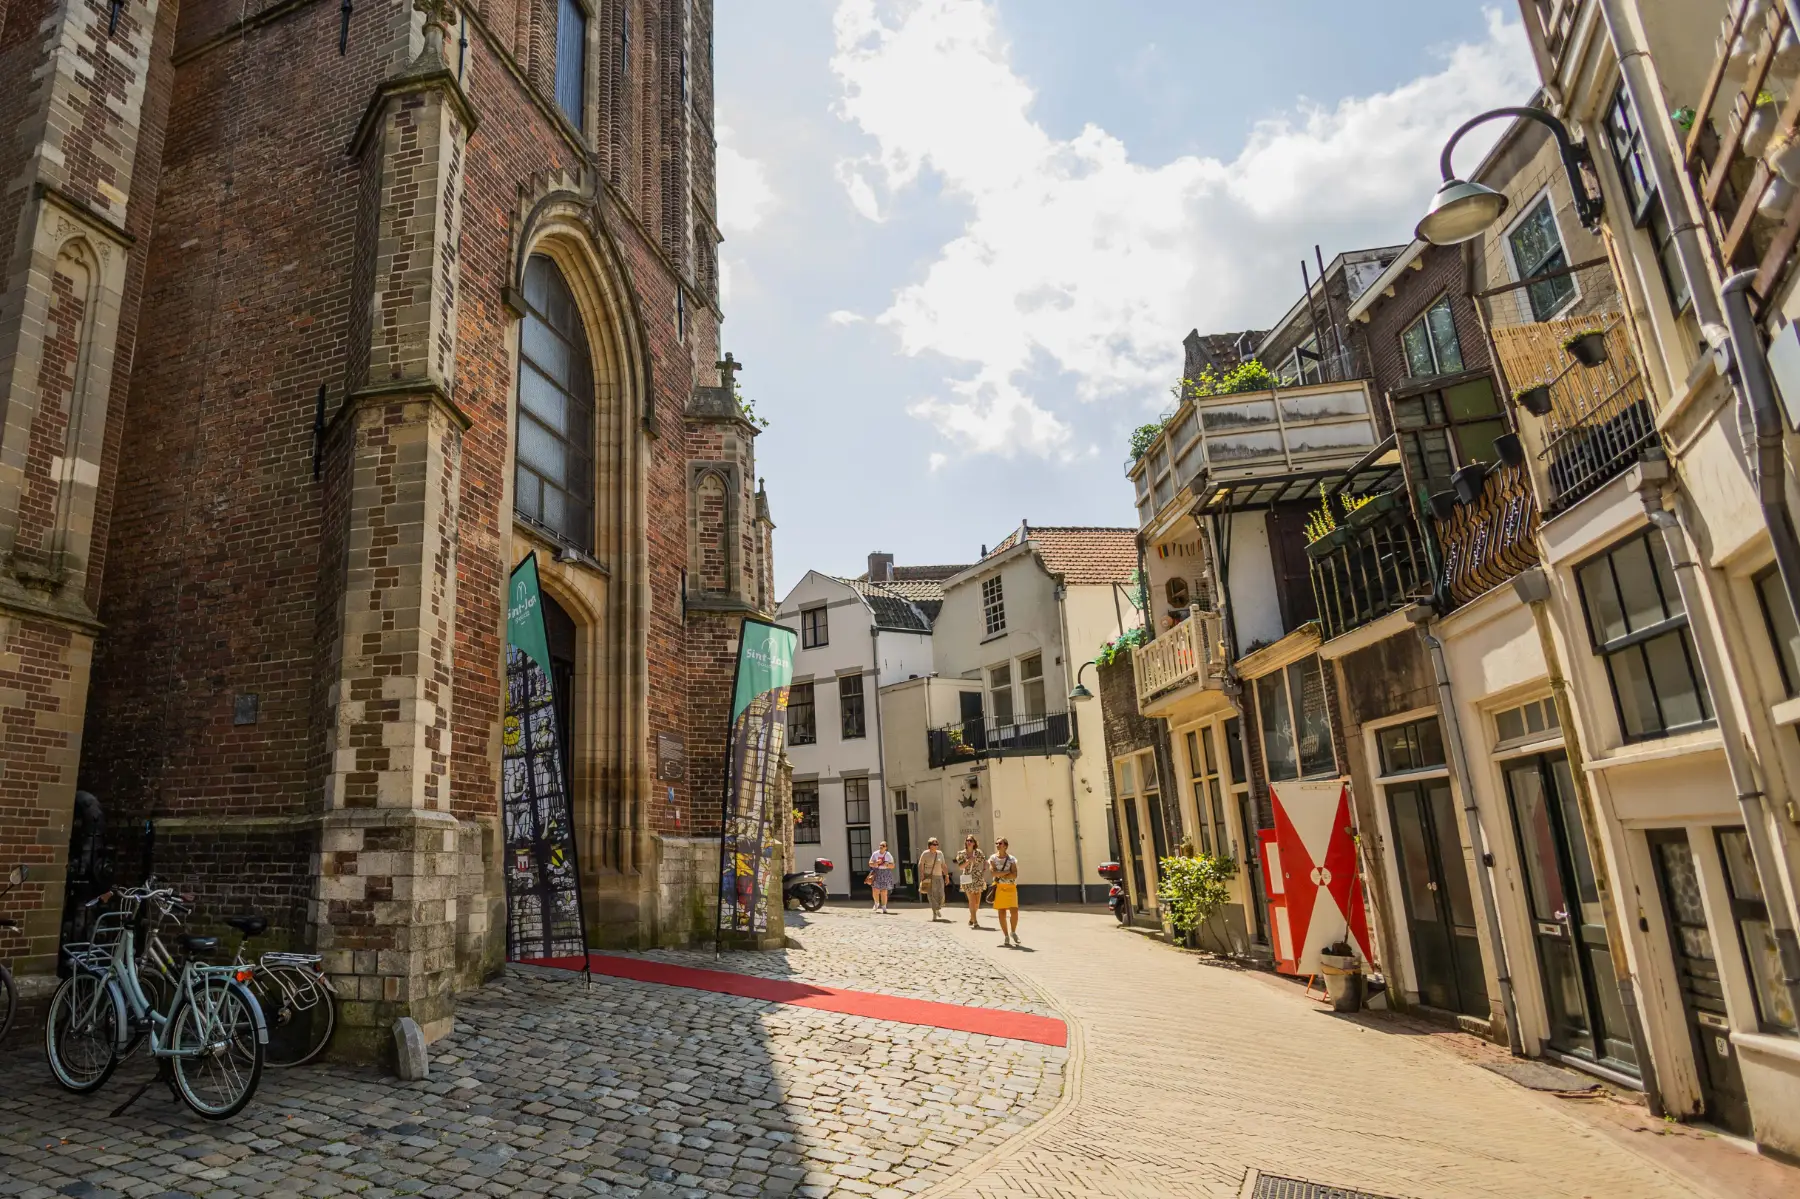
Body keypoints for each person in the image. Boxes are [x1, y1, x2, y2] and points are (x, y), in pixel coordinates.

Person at [988, 838, 1021, 947]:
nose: (998, 845)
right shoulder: (993, 858)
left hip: (1011, 887)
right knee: (1001, 912)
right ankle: (1006, 935)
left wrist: (1000, 873)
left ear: (1005, 846)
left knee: (1014, 911)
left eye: (1000, 843)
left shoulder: (1012, 859)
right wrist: (1007, 872)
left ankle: (1013, 931)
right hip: (999, 887)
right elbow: (993, 873)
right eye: (996, 843)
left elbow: (1014, 875)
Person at [954, 835, 988, 928]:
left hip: (977, 877)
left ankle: (972, 918)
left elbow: (984, 861)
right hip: (967, 877)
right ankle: (975, 921)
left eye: (971, 841)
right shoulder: (961, 853)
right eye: (967, 840)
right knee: (971, 900)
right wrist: (969, 861)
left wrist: (984, 870)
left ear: (974, 843)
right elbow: (961, 867)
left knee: (977, 903)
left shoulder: (978, 852)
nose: (969, 842)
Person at [917, 837, 949, 921]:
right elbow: (921, 864)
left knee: (941, 894)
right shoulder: (925, 853)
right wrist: (922, 874)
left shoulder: (940, 853)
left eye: (937, 844)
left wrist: (946, 875)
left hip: (939, 876)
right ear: (929, 845)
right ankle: (935, 912)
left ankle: (937, 908)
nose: (936, 846)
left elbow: (943, 865)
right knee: (931, 895)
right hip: (929, 877)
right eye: (934, 844)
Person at [867, 841, 897, 913]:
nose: (881, 847)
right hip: (877, 872)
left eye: (883, 846)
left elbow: (893, 865)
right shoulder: (875, 854)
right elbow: (870, 863)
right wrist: (875, 863)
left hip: (885, 873)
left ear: (886, 847)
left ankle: (884, 907)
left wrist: (887, 865)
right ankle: (876, 903)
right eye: (880, 845)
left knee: (884, 891)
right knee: (875, 890)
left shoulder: (888, 855)